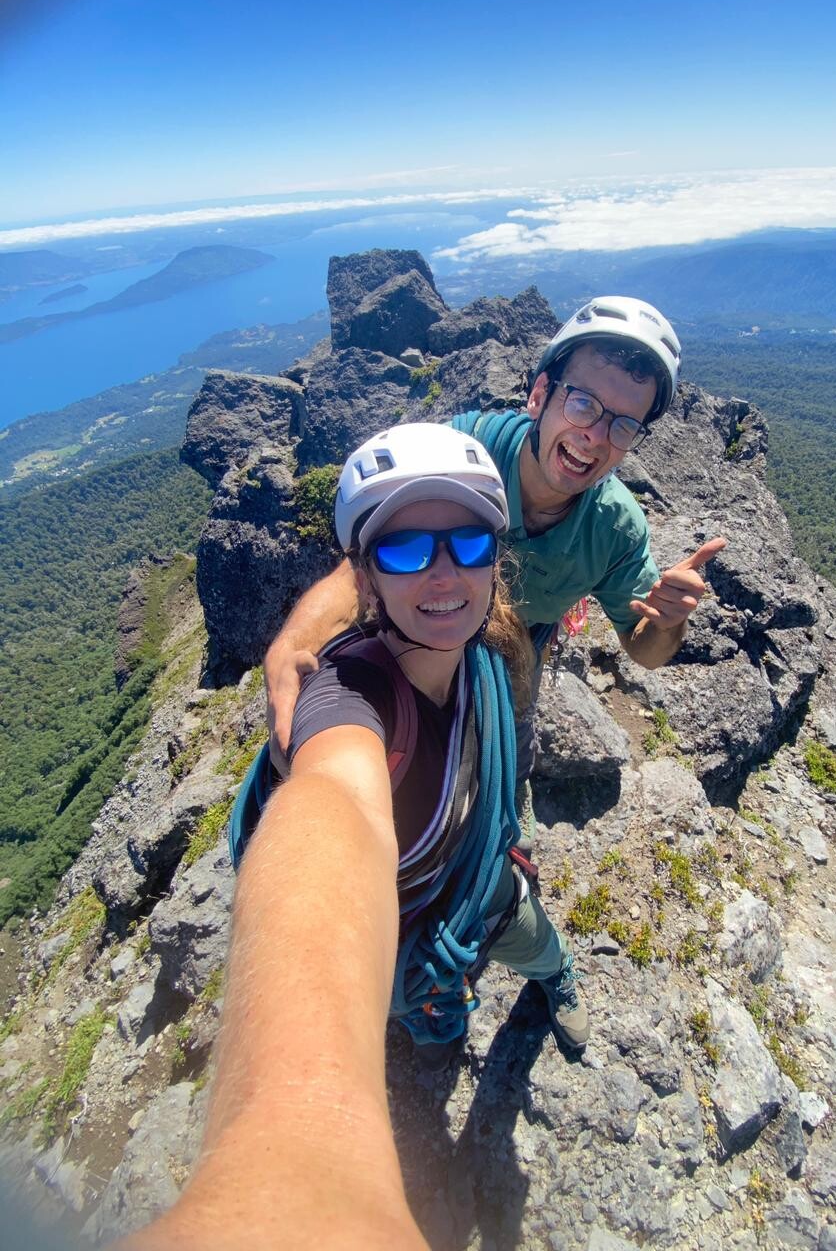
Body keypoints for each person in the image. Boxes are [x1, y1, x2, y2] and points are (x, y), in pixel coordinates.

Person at [118, 424, 585, 1251]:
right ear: (364, 579)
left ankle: (556, 981)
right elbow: (333, 811)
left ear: (494, 560)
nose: (443, 573)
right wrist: (292, 1165)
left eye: (468, 542)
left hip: (481, 884)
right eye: (404, 550)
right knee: (428, 1007)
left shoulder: (481, 658)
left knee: (536, 942)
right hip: (407, 931)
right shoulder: (349, 701)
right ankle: (442, 1025)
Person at [265, 296, 727, 844]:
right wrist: (294, 644)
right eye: (583, 404)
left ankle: (501, 828)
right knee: (405, 751)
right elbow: (367, 564)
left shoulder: (614, 529)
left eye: (624, 426)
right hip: (421, 635)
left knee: (509, 745)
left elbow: (644, 648)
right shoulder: (466, 454)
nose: (596, 437)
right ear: (539, 395)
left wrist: (670, 621)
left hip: (519, 652)